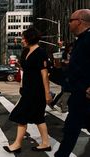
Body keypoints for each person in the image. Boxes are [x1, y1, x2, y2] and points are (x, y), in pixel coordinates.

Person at [3, 28, 52, 153]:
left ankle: (17, 144)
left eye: (24, 38)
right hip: (27, 90)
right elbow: (25, 70)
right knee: (38, 117)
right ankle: (46, 143)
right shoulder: (25, 52)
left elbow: (44, 74)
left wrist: (47, 93)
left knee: (21, 116)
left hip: (37, 91)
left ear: (30, 38)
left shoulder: (40, 52)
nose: (22, 40)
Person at [55, 9, 90, 157]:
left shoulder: (88, 39)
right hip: (78, 94)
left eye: (70, 20)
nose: (68, 23)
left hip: (85, 95)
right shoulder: (80, 40)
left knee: (71, 129)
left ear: (79, 22)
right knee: (72, 128)